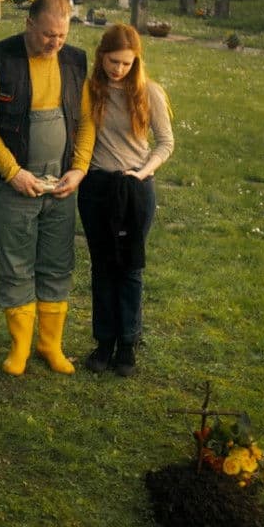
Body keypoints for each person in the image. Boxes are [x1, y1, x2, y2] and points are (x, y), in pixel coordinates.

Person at [0, 0, 94, 376]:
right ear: (29, 24)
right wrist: (12, 172)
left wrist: (79, 169)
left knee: (57, 263)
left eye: (62, 35)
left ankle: (49, 345)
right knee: (16, 263)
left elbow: (88, 120)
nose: (55, 43)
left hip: (61, 183)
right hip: (14, 183)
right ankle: (19, 347)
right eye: (48, 35)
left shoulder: (75, 61)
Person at [77, 24, 174, 377]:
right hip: (97, 187)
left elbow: (165, 142)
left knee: (130, 268)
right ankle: (104, 342)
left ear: (136, 62)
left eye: (126, 63)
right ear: (101, 56)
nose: (118, 69)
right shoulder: (91, 90)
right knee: (102, 267)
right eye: (113, 61)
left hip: (135, 187)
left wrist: (143, 172)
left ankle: (128, 345)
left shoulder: (149, 92)